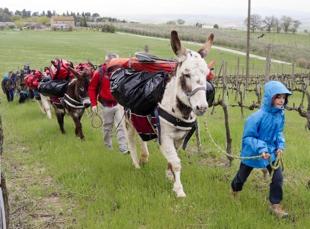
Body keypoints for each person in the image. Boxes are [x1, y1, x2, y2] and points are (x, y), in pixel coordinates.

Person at [231, 80, 291, 219]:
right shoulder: (256, 117)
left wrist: (280, 146)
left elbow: (278, 133)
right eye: (278, 97)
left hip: (270, 153)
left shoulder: (280, 115)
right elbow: (248, 138)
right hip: (252, 152)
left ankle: (275, 205)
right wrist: (261, 148)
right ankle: (234, 192)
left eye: (283, 97)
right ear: (270, 97)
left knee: (278, 177)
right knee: (241, 178)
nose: (281, 100)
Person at [88, 53, 128, 154]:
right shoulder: (99, 73)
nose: (117, 65)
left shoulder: (121, 72)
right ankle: (108, 147)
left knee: (121, 126)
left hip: (119, 104)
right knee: (107, 127)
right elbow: (92, 88)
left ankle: (123, 147)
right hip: (105, 105)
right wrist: (93, 104)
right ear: (107, 62)